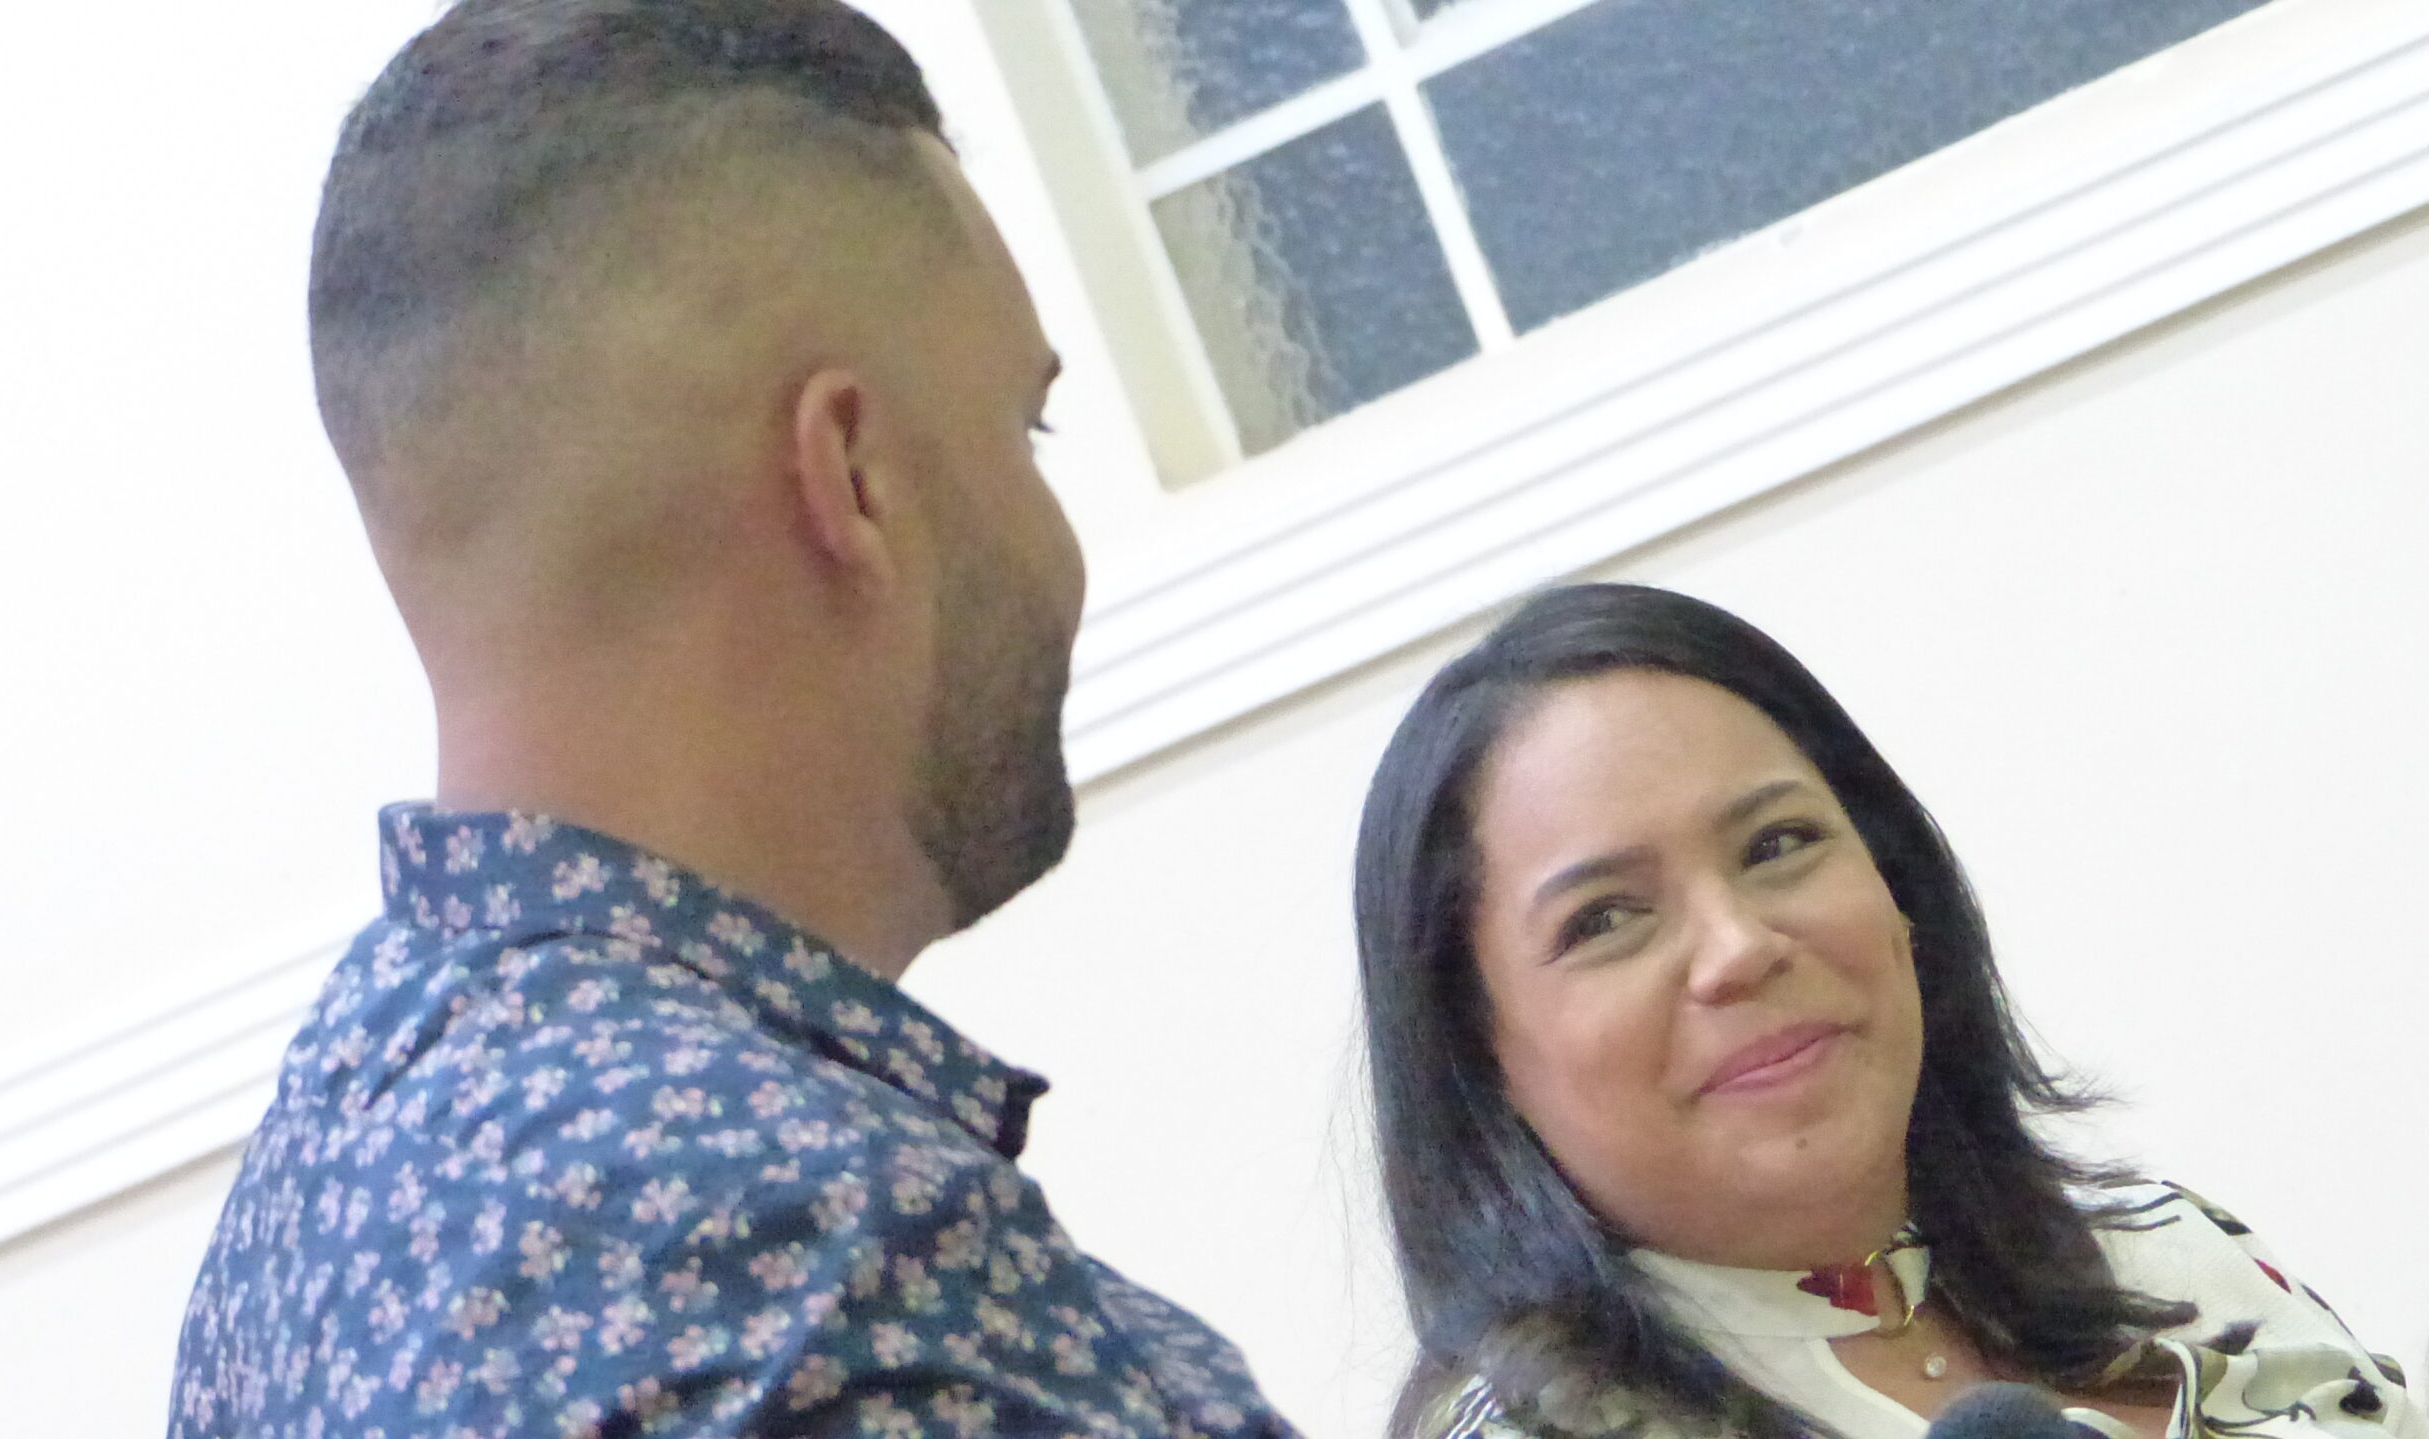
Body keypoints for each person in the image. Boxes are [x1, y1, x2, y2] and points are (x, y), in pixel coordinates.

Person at [166, 3, 1293, 1435]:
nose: (1055, 536)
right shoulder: (813, 1274)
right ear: (853, 473)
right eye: (1024, 430)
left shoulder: (327, 1178)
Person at [1352, 583, 2417, 1439]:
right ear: (1477, 1049)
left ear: (1896, 883)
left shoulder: (2163, 1249)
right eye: (1606, 918)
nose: (1739, 947)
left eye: (1777, 844)